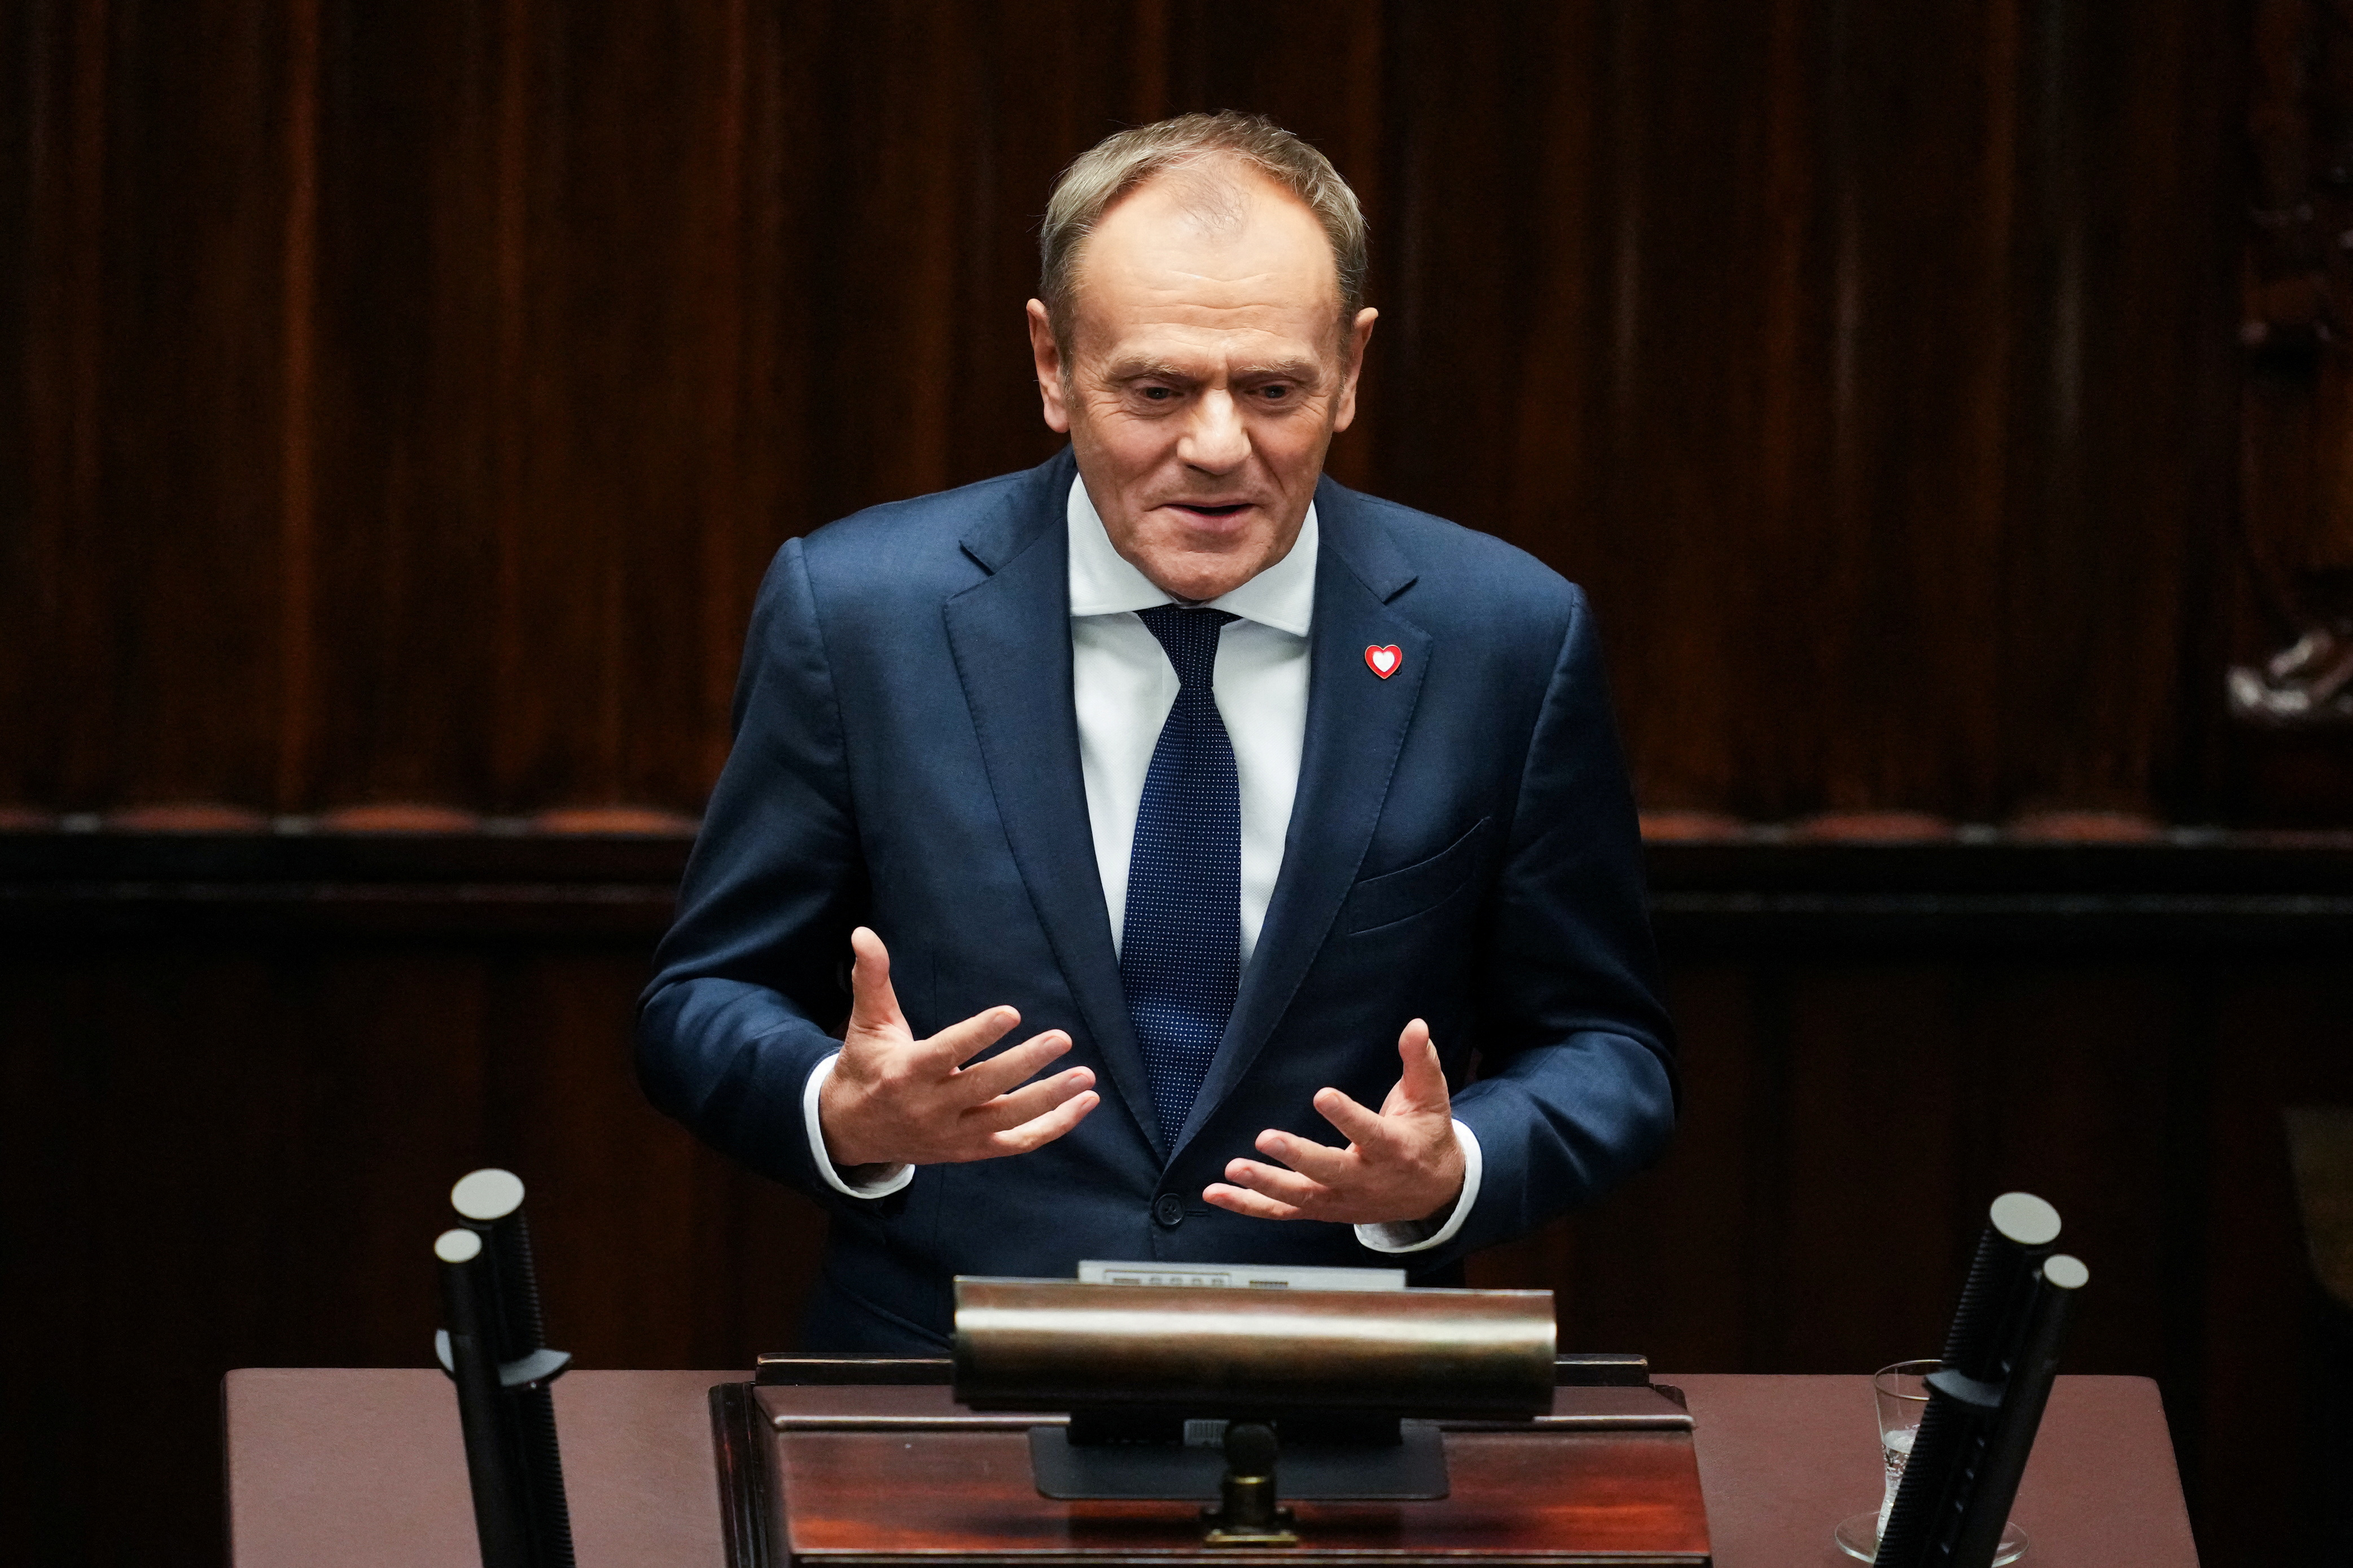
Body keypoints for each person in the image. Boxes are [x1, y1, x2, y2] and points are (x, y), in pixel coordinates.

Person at [637, 112, 1676, 1351]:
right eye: (1157, 389)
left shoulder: (1503, 634)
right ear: (1052, 363)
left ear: (1350, 368)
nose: (1217, 447)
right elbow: (704, 997)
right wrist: (838, 1110)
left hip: (1349, 1388)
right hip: (944, 1381)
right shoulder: (862, 612)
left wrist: (1456, 1167)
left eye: (1274, 389)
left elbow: (1607, 1046)